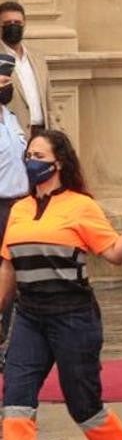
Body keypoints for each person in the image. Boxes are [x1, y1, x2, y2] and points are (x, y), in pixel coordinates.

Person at [0, 130, 122, 440]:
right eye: (28, 154)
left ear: (58, 163)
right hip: (30, 317)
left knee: (84, 407)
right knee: (15, 403)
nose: (30, 160)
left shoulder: (82, 207)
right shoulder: (20, 209)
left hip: (73, 317)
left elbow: (115, 254)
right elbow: (8, 265)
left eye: (38, 155)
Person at [0, 55, 28, 371]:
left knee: (13, 279)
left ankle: (5, 340)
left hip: (17, 206)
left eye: (9, 81)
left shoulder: (11, 118)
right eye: (3, 81)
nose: (6, 87)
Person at [0, 2, 51, 134]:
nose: (13, 26)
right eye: (8, 23)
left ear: (24, 24)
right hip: (11, 136)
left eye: (17, 22)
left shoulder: (37, 58)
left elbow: (48, 99)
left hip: (41, 133)